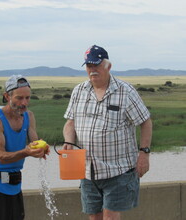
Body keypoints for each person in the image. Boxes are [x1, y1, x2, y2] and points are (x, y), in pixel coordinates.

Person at [63, 45, 152, 220]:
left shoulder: (125, 91)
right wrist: (69, 141)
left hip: (118, 170)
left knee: (110, 217)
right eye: (89, 66)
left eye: (96, 65)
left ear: (108, 66)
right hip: (88, 171)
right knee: (94, 217)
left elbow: (145, 122)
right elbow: (70, 123)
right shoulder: (78, 91)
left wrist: (144, 153)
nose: (92, 70)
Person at [0, 75, 49, 220]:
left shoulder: (28, 116)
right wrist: (26, 152)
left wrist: (41, 149)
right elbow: (1, 156)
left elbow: (34, 143)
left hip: (15, 185)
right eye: (19, 98)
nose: (24, 103)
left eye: (28, 98)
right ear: (7, 96)